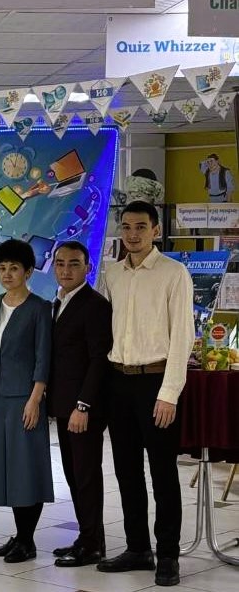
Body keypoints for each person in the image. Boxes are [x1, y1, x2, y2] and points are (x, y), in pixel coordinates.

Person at [98, 200, 195, 587]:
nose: (133, 234)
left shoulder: (174, 273)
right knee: (126, 471)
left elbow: (183, 336)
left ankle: (167, 554)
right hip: (119, 382)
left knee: (163, 473)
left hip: (156, 382)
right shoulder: (112, 274)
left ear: (155, 230)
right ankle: (137, 547)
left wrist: (169, 393)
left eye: (141, 227)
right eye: (126, 227)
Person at [0, 239, 53, 563]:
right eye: (2, 268)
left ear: (29, 272)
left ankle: (27, 540)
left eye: (14, 268)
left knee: (26, 467)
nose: (7, 274)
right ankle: (18, 536)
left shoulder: (39, 308)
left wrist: (35, 399)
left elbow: (43, 358)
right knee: (5, 466)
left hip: (24, 396)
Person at [48, 242, 112, 568]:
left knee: (86, 475)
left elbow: (99, 359)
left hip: (83, 407)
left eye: (74, 264)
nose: (66, 270)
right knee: (74, 474)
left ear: (88, 267)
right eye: (60, 263)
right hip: (63, 404)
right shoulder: (58, 302)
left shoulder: (95, 305)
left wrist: (83, 405)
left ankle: (91, 545)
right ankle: (90, 536)